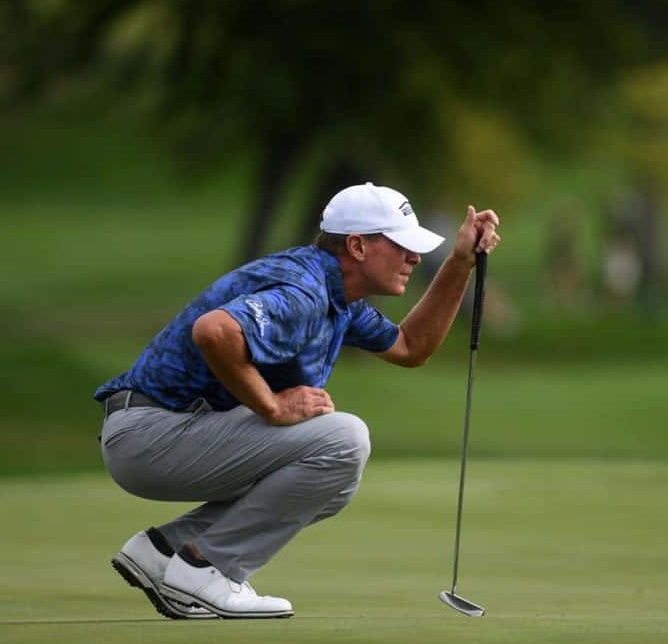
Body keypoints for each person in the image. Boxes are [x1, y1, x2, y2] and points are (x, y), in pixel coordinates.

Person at [94, 182, 501, 619]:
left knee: (334, 482)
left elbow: (410, 346)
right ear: (358, 247)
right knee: (343, 440)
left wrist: (460, 263)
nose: (414, 258)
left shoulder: (337, 296)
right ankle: (207, 569)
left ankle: (164, 551)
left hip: (163, 431)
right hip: (152, 434)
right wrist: (271, 405)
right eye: (401, 245)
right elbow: (214, 330)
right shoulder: (305, 292)